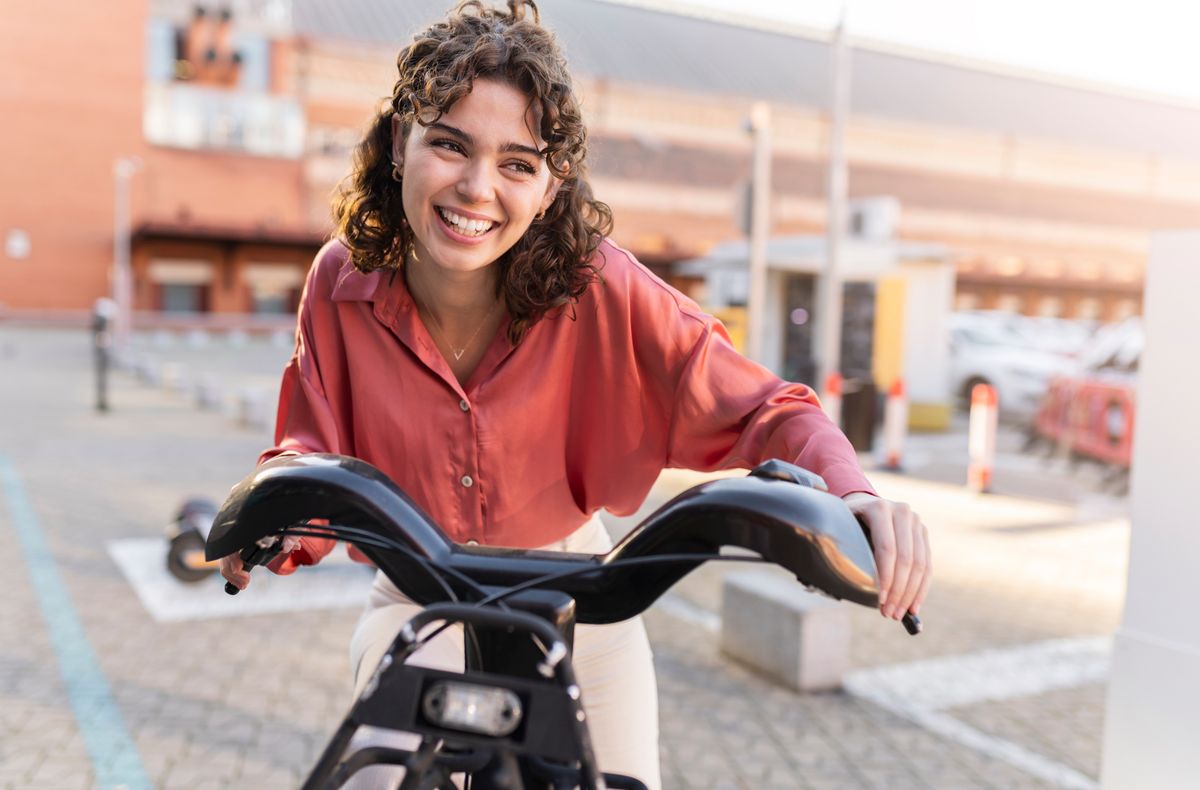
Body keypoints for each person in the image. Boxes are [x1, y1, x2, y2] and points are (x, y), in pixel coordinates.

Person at [219, 1, 932, 787]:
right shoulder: (339, 282)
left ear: (553, 183)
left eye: (518, 163)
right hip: (417, 590)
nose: (477, 189)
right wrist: (278, 521)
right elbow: (310, 442)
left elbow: (770, 408)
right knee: (375, 778)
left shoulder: (601, 286)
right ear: (400, 141)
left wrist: (852, 498)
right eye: (449, 145)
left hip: (580, 597)